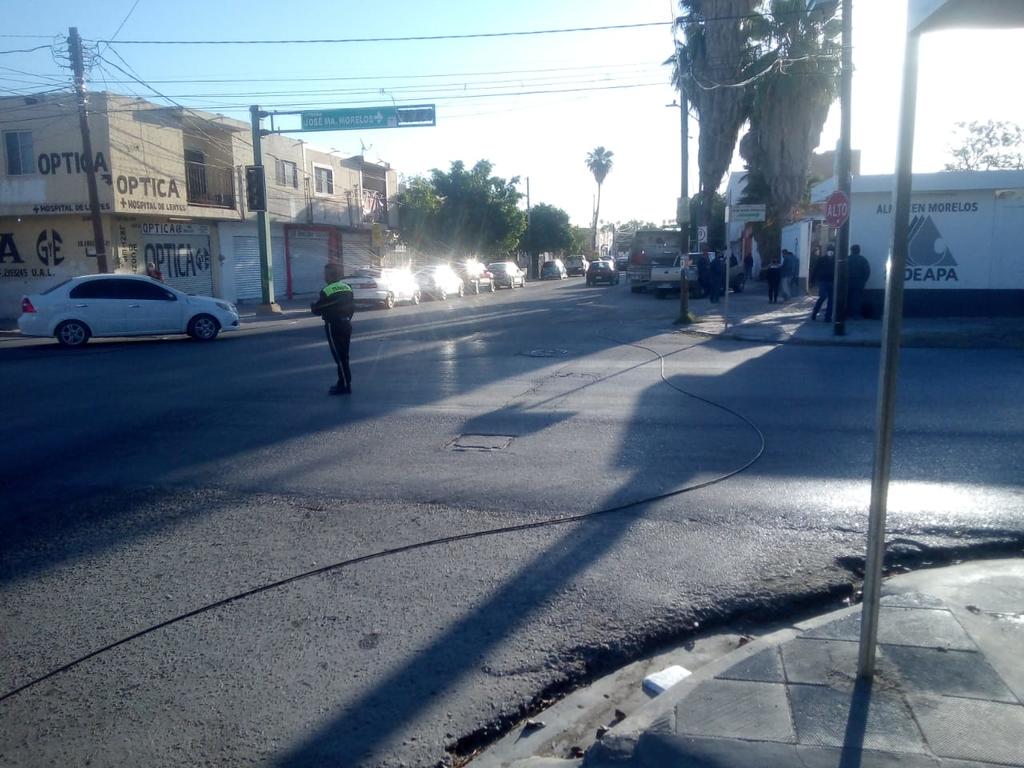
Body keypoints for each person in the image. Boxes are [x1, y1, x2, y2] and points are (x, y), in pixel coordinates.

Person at [311, 262, 355, 395]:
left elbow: (318, 309)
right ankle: (342, 382)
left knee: (339, 356)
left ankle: (345, 385)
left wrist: (313, 306)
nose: (324, 277)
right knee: (344, 354)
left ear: (330, 276)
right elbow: (352, 307)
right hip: (347, 324)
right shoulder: (347, 287)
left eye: (325, 274)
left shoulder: (326, 291)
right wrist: (347, 318)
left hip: (333, 326)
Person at [811, 246, 836, 321]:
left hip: (832, 281)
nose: (830, 252)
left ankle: (828, 317)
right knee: (823, 296)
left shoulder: (835, 260)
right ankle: (815, 312)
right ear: (827, 251)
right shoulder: (821, 259)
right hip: (823, 281)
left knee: (831, 300)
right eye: (829, 250)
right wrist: (812, 280)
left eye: (832, 251)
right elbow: (815, 269)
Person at [847, 244, 871, 319]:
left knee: (847, 298)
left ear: (851, 250)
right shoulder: (863, 260)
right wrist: (863, 280)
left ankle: (847, 314)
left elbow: (842, 270)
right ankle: (856, 315)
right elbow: (867, 271)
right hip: (859, 282)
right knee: (857, 299)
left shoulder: (847, 259)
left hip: (848, 281)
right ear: (859, 251)